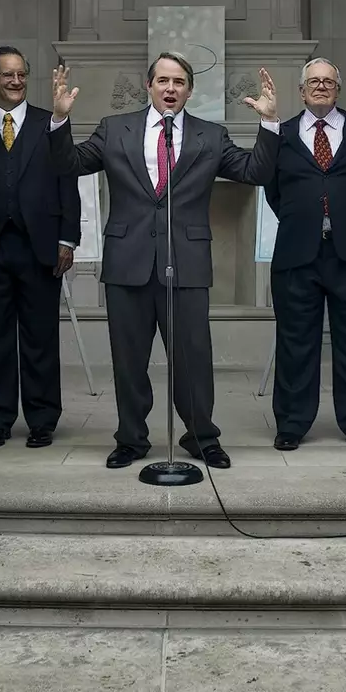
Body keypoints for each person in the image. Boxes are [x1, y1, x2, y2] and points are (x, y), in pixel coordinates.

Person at [47, 53, 280, 469]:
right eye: (162, 81)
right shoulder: (115, 129)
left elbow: (255, 172)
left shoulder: (210, 135)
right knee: (129, 359)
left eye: (178, 82)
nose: (170, 88)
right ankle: (132, 439)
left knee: (192, 358)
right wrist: (60, 121)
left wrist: (269, 124)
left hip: (186, 262)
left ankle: (202, 437)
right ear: (149, 85)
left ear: (190, 90)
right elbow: (69, 164)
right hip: (127, 262)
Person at [0, 45, 81, 448]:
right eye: (7, 74)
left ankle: (42, 420)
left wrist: (67, 239)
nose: (15, 81)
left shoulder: (51, 124)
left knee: (40, 337)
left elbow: (68, 183)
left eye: (21, 74)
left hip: (40, 249)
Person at [264, 57, 346, 451]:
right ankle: (292, 424)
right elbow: (273, 191)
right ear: (301, 91)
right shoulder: (280, 135)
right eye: (313, 82)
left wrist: (342, 215)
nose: (320, 87)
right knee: (295, 342)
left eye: (328, 82)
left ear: (338, 89)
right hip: (297, 254)